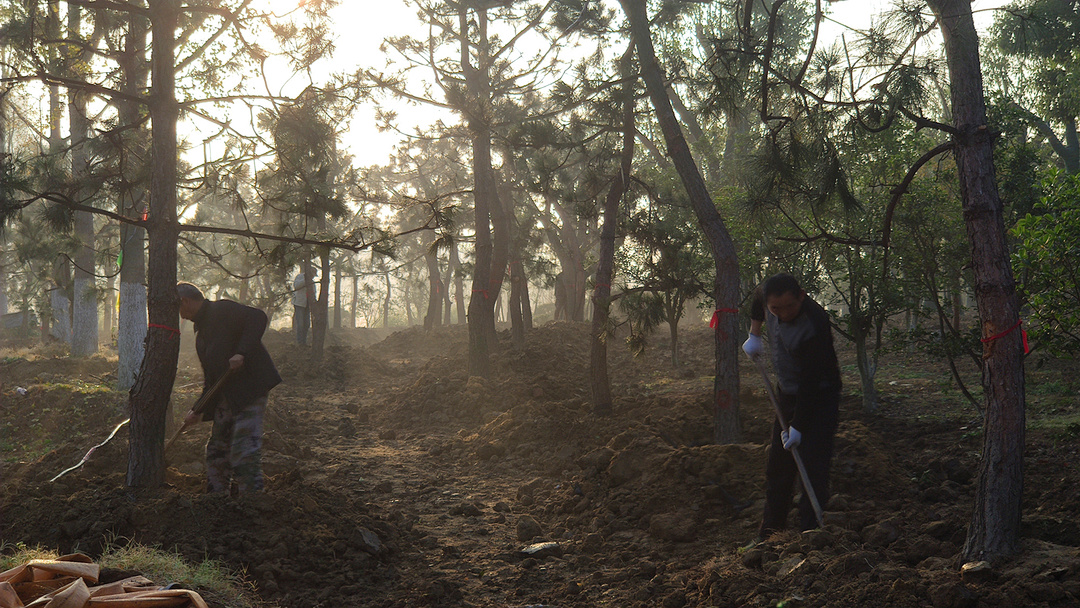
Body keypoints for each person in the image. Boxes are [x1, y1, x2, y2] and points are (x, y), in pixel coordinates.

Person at [742, 273, 841, 540]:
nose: (783, 313)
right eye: (776, 309)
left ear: (802, 296)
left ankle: (810, 534)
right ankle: (771, 534)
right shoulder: (768, 299)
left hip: (819, 396)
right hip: (786, 392)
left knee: (812, 463)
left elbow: (811, 381)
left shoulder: (815, 324)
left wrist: (798, 426)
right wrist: (755, 334)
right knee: (779, 466)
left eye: (789, 306)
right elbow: (757, 299)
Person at [178, 282, 282, 495]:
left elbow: (258, 318)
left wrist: (241, 352)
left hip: (249, 391)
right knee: (217, 449)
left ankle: (252, 502)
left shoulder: (221, 310)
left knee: (244, 449)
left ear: (185, 301)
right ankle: (217, 499)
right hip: (227, 397)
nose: (180, 316)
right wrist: (197, 410)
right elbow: (211, 381)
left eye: (178, 309)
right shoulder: (202, 338)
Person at [292, 268, 315, 345]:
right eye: (312, 275)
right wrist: (305, 280)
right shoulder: (300, 277)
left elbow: (313, 292)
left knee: (307, 324)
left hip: (308, 304)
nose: (313, 277)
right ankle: (299, 342)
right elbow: (296, 286)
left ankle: (304, 342)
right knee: (300, 324)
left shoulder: (312, 282)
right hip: (299, 303)